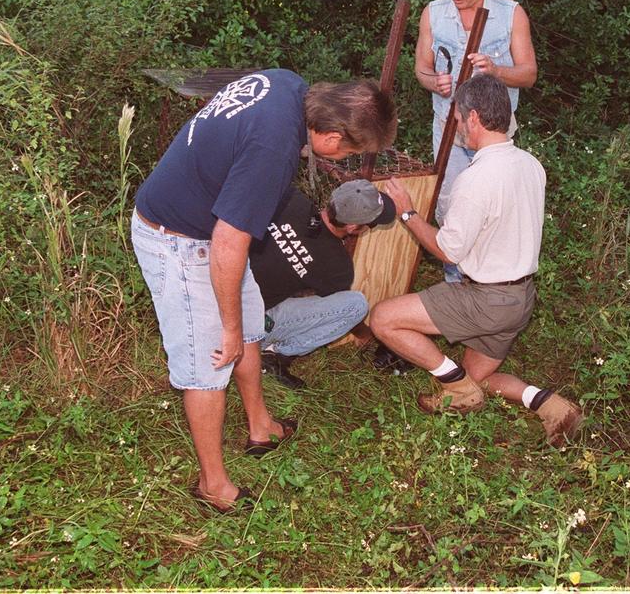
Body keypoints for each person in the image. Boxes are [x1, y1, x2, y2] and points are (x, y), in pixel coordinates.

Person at [131, 70, 396, 513]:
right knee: (210, 359)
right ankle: (212, 484)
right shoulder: (273, 152)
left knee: (252, 326)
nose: (348, 158)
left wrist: (240, 326)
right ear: (332, 136)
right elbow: (227, 243)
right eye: (352, 151)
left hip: (208, 229)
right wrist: (227, 329)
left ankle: (260, 426)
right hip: (180, 238)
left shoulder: (288, 85)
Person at [370, 73, 581, 448]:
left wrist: (408, 213)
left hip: (485, 301)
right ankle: (554, 407)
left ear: (474, 119)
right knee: (477, 378)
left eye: (458, 120)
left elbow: (448, 251)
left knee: (383, 319)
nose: (458, 129)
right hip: (520, 300)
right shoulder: (530, 164)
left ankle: (454, 387)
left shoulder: (478, 178)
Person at [415, 0, 538, 282]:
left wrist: (496, 71)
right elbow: (421, 69)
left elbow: (529, 74)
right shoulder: (433, 14)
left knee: (497, 207)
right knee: (451, 205)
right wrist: (432, 81)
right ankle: (456, 285)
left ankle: (491, 283)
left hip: (494, 130)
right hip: (450, 129)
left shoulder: (510, 14)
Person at [250, 179, 396, 390]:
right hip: (250, 322)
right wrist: (367, 335)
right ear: (353, 227)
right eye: (370, 224)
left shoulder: (291, 199)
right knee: (355, 305)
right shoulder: (337, 266)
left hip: (214, 290)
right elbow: (333, 309)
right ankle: (273, 353)